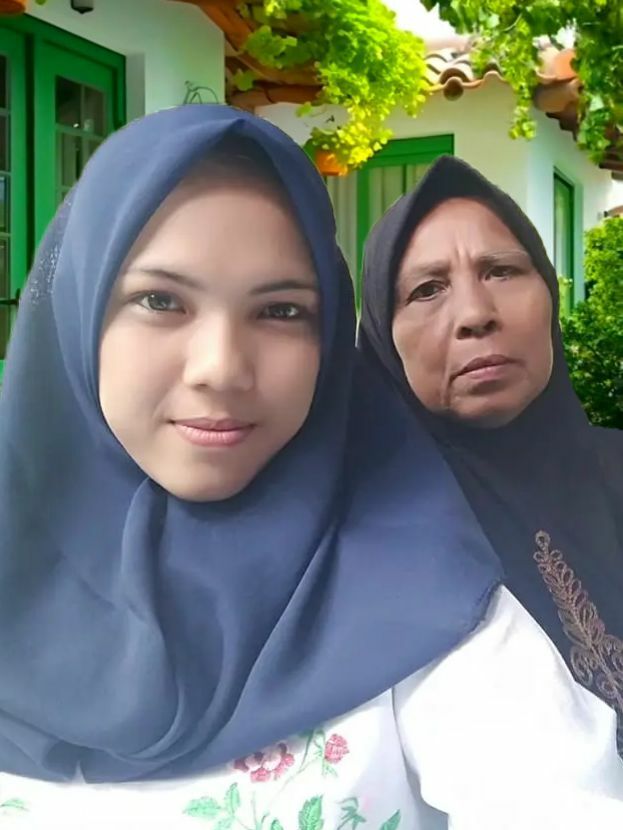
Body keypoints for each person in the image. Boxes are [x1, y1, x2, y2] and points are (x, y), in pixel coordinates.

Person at [0, 108, 621, 829]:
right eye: (159, 300)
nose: (220, 368)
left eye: (282, 311)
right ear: (75, 310)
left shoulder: (421, 587)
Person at [359, 154, 623, 762]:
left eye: (501, 271)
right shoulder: (365, 539)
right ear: (382, 334)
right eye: (427, 290)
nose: (476, 314)